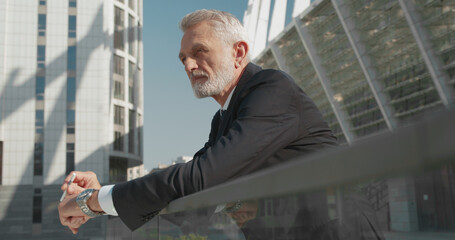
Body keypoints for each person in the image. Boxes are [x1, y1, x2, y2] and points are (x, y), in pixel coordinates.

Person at [58, 9, 338, 235]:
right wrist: (98, 198)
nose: (189, 66)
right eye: (183, 59)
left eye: (199, 52)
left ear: (238, 53)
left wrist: (89, 201)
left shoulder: (272, 89)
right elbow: (185, 196)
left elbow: (201, 177)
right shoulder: (223, 119)